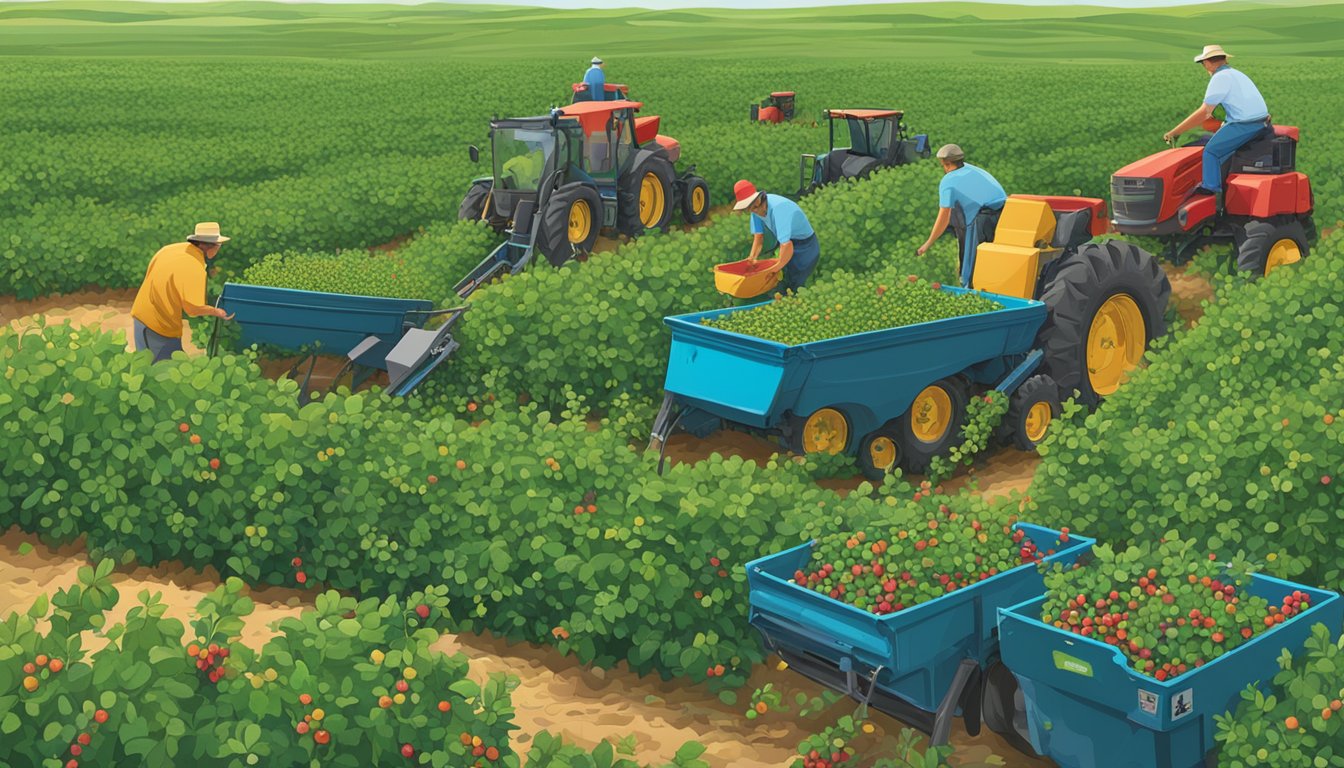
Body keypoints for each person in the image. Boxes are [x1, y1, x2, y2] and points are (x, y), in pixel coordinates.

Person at [1163, 45, 1270, 202]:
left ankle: (1210, 189)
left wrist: (1174, 132)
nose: (1204, 66)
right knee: (1222, 152)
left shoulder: (1220, 78)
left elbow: (1205, 112)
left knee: (1211, 152)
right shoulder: (1236, 74)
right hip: (1260, 121)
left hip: (1246, 124)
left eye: (1203, 63)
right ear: (1225, 59)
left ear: (1207, 62)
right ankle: (1223, 188)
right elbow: (1240, 104)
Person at [130, 222, 233, 363]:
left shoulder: (169, 250)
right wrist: (217, 312)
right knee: (161, 372)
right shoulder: (194, 267)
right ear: (211, 247)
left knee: (153, 368)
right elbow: (192, 309)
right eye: (219, 246)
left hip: (143, 316)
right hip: (158, 326)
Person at [916, 144, 1006, 287]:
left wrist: (927, 244)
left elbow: (943, 216)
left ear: (947, 164)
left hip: (981, 219)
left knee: (972, 265)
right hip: (1004, 213)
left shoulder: (948, 180)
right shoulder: (974, 170)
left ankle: (968, 285)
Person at [733, 180, 820, 293]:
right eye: (748, 208)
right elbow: (758, 237)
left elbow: (786, 244)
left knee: (796, 282)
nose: (753, 211)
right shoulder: (754, 212)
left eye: (754, 206)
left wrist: (775, 269)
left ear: (759, 198)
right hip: (787, 243)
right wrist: (751, 259)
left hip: (806, 246)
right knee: (781, 279)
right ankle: (778, 297)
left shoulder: (779, 208)